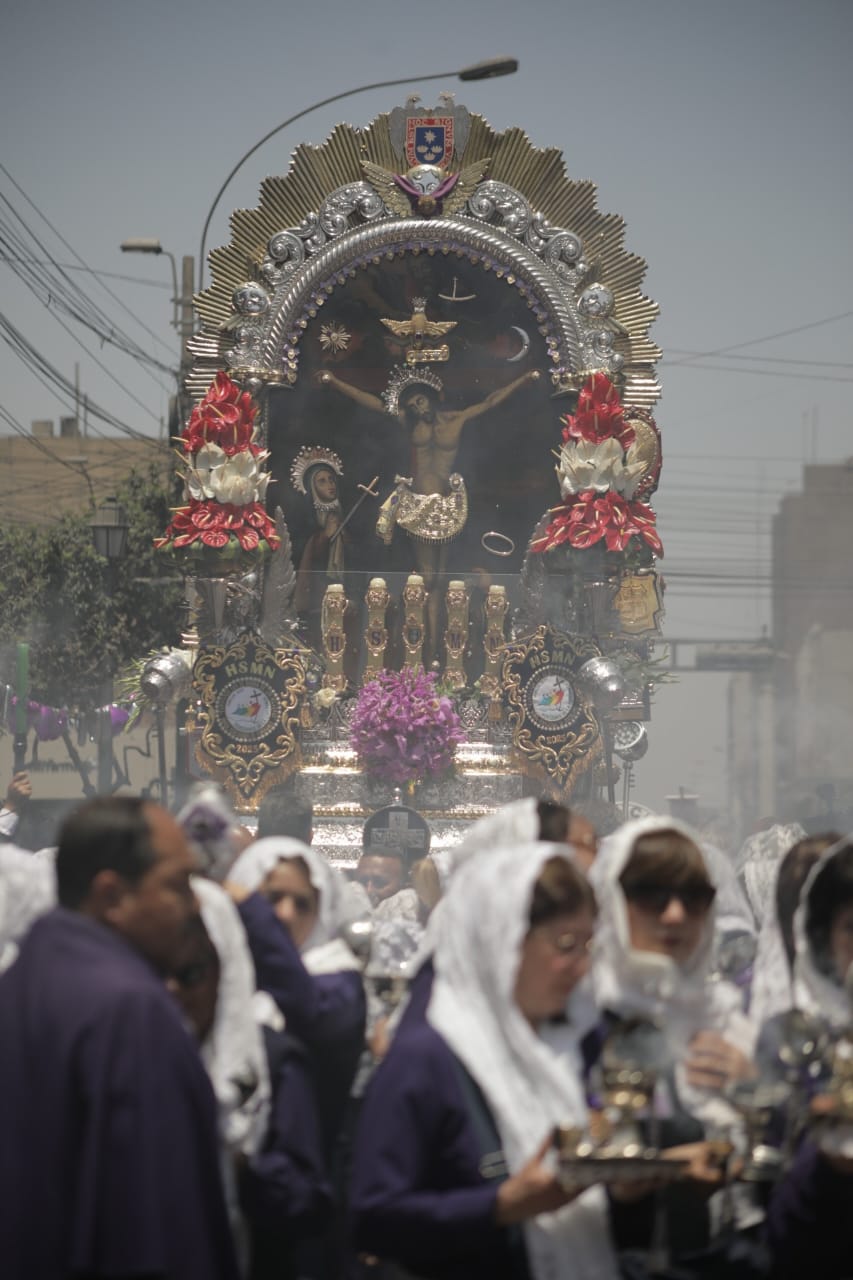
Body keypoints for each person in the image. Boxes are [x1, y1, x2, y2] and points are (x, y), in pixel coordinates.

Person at [351, 843, 621, 1280]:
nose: (581, 967)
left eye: (590, 945)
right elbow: (373, 1215)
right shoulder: (427, 1057)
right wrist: (502, 1204)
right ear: (503, 944)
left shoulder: (561, 1046)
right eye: (566, 945)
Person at [0, 795, 240, 1280]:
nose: (193, 905)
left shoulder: (27, 975)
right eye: (176, 885)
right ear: (112, 896)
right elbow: (157, 1215)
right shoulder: (130, 1010)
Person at [589, 817, 755, 1263]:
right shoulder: (580, 1021)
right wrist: (664, 1171)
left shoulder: (726, 1018)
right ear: (610, 900)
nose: (676, 915)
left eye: (694, 898)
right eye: (650, 895)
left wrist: (760, 1092)